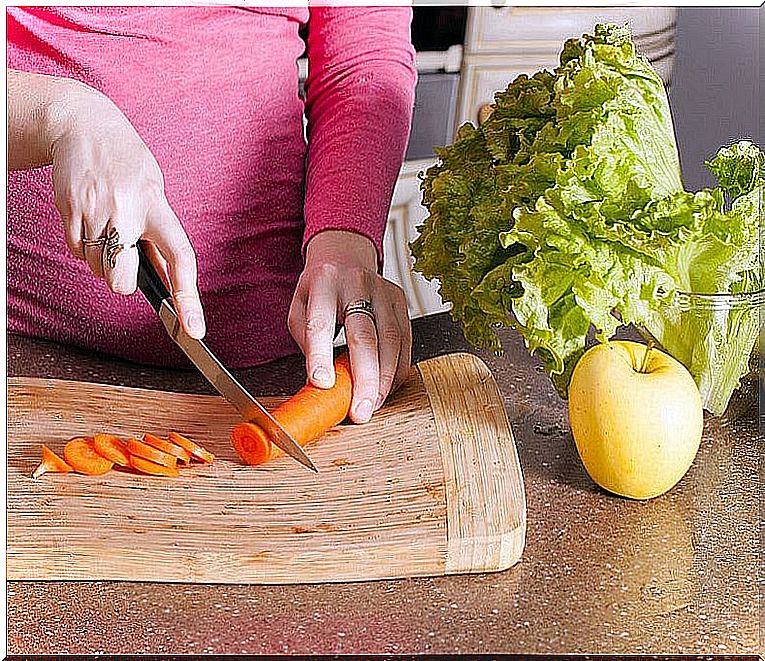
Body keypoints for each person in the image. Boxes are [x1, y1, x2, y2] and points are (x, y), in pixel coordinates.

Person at [7, 6, 417, 424]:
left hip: (272, 373)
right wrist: (59, 115)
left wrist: (343, 238)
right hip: (22, 356)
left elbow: (364, 54)